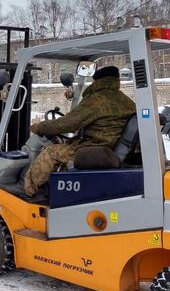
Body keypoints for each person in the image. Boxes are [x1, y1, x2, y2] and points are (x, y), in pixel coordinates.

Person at [23, 66, 136, 196]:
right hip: (112, 147)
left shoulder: (96, 100)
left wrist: (39, 127)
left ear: (97, 81)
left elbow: (67, 123)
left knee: (50, 153)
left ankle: (29, 191)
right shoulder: (126, 101)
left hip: (94, 147)